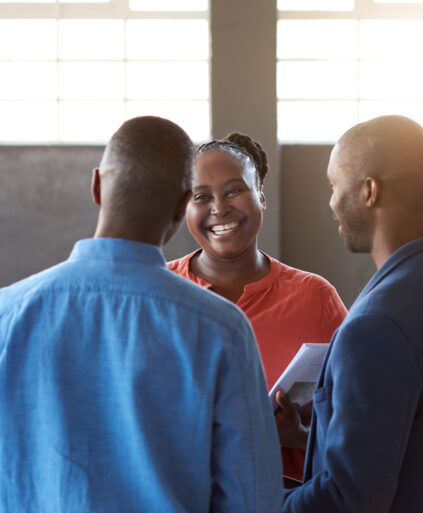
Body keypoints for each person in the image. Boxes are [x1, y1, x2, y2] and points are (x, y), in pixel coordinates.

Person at [0, 116, 282, 513]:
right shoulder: (220, 329)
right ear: (184, 204)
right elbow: (253, 500)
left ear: (97, 186)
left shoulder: (8, 312)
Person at [281, 115, 423, 513]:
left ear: (369, 190)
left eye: (335, 185)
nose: (331, 202)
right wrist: (312, 438)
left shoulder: (375, 323)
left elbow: (352, 497)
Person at [167, 132, 347, 483]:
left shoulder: (315, 298)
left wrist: (296, 436)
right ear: (184, 208)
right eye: (202, 196)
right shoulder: (157, 292)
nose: (219, 207)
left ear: (261, 196)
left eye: (235, 190)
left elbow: (359, 428)